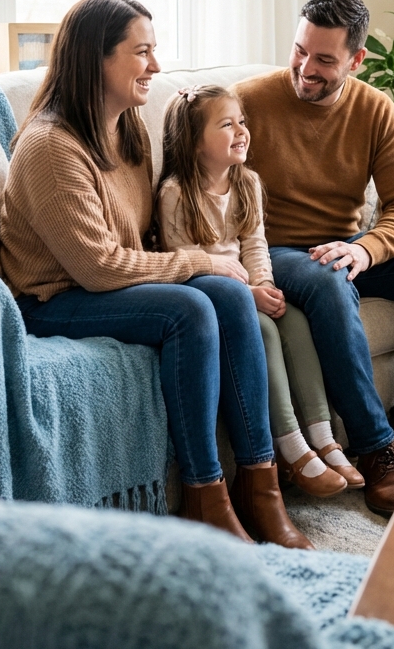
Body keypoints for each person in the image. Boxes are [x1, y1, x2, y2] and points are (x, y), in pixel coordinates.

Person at [0, 0, 311, 550]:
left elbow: (141, 240)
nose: (156, 66)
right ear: (98, 58)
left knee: (231, 295)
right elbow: (98, 268)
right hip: (53, 301)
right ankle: (202, 495)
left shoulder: (127, 130)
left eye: (155, 51)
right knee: (191, 307)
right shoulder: (50, 147)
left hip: (109, 284)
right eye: (142, 52)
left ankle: (261, 490)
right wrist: (198, 261)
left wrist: (217, 270)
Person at [235, 0, 394, 518]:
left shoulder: (374, 108)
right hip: (273, 250)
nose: (306, 67)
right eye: (300, 50)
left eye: (325, 59)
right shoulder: (249, 102)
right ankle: (376, 451)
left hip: (345, 248)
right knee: (328, 280)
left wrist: (366, 252)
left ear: (356, 59)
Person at [156, 84, 364, 498]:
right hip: (209, 291)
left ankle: (323, 439)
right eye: (227, 125)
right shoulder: (176, 194)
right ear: (194, 142)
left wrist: (264, 286)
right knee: (265, 332)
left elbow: (255, 245)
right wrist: (246, 297)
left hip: (248, 288)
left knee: (295, 321)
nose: (241, 131)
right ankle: (291, 448)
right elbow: (186, 261)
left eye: (242, 122)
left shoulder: (247, 182)